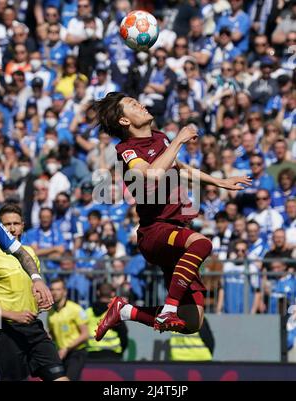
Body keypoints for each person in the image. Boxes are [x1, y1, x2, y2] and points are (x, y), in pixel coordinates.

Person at [93, 92, 251, 341]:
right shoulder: (128, 150)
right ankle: (168, 308)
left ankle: (126, 311)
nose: (141, 104)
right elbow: (153, 173)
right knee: (202, 243)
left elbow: (180, 169)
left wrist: (221, 182)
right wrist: (179, 139)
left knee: (191, 322)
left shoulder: (160, 138)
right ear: (124, 121)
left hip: (176, 232)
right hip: (155, 231)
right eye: (133, 104)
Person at [0, 203, 66, 381]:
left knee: (60, 377)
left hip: (34, 328)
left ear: (23, 225)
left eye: (16, 223)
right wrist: (12, 314)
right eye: (7, 225)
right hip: (6, 329)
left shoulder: (28, 253)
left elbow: (30, 289)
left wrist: (40, 299)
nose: (12, 229)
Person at [48, 278, 89, 381]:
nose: (54, 293)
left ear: (65, 291)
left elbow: (85, 334)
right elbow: (52, 334)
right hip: (61, 353)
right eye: (52, 289)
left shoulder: (75, 309)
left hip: (76, 352)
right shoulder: (51, 312)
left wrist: (66, 348)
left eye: (58, 289)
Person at [86, 283, 128, 361]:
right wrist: (120, 352)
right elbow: (124, 335)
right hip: (112, 355)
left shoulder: (88, 312)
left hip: (91, 355)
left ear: (98, 293)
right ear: (113, 293)